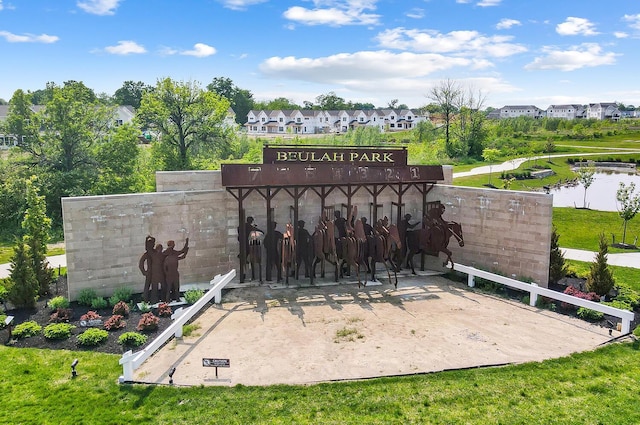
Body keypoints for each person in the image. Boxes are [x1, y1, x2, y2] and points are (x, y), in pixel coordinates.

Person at [163, 238, 189, 302]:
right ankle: (168, 299)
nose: (174, 245)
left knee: (175, 287)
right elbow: (164, 267)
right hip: (171, 274)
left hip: (173, 273)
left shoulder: (173, 256)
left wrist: (186, 244)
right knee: (170, 287)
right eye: (173, 244)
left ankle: (175, 298)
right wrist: (167, 274)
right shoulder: (167, 256)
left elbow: (182, 253)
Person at [138, 235, 156, 303]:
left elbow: (154, 239)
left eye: (153, 244)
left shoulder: (155, 252)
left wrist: (149, 237)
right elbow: (141, 263)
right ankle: (145, 300)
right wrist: (144, 272)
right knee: (147, 286)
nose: (153, 245)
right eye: (151, 244)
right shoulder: (147, 254)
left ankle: (153, 300)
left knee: (154, 286)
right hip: (149, 272)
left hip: (155, 272)